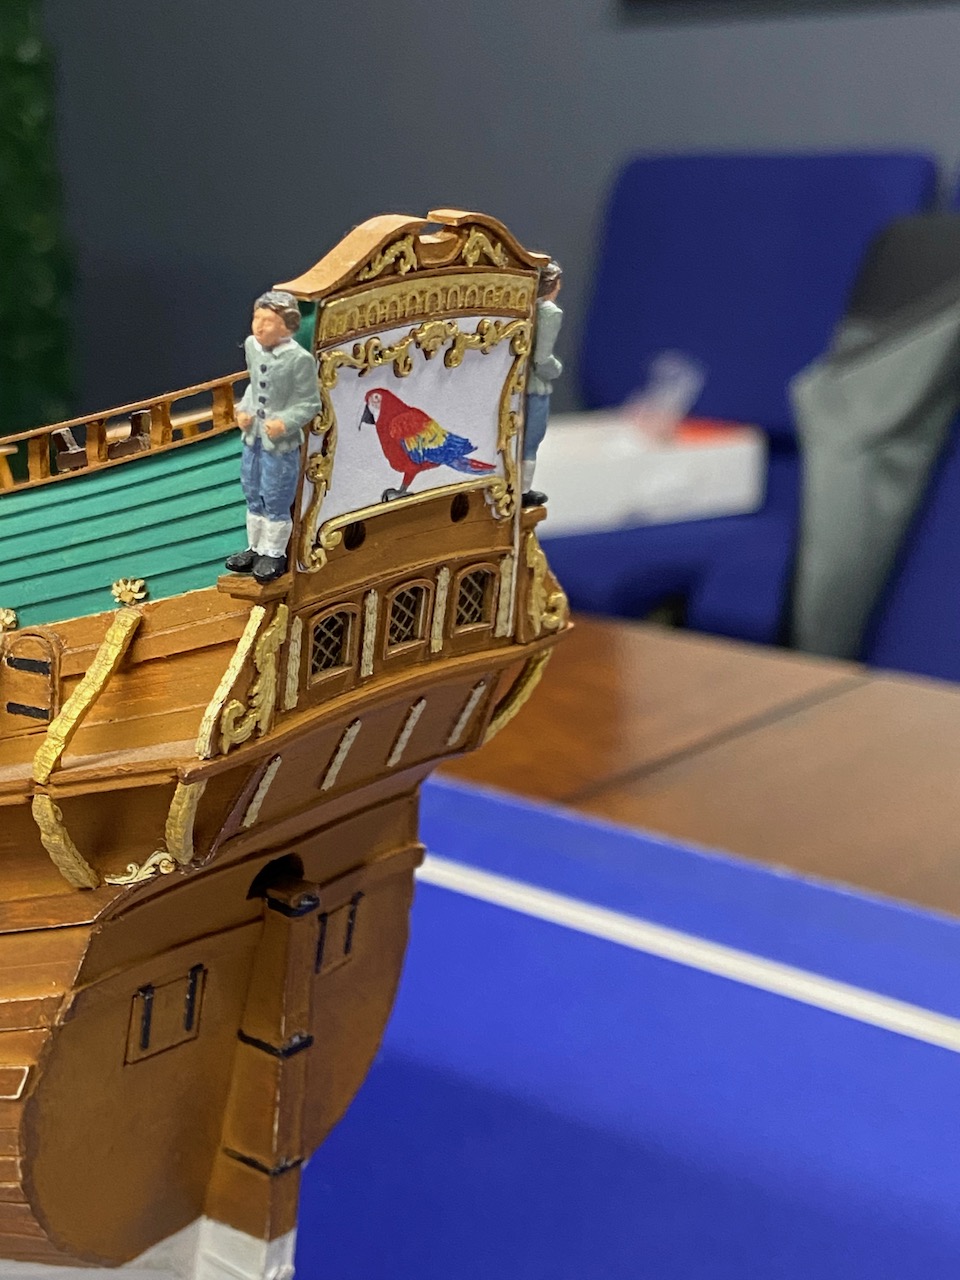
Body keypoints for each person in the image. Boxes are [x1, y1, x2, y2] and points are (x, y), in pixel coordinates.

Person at [225, 290, 322, 583]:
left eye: (268, 321)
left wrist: (285, 423)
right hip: (253, 436)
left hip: (279, 443)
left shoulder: (299, 359)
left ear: (287, 326)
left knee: (276, 495)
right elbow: (254, 386)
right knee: (252, 490)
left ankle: (274, 553)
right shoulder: (252, 346)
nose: (259, 326)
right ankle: (255, 547)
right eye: (257, 318)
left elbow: (310, 403)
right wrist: (243, 410)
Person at [522, 260, 563, 507]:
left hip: (518, 383)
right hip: (535, 385)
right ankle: (523, 490)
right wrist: (556, 369)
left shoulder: (527, 307)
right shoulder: (550, 312)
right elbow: (542, 359)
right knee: (531, 440)